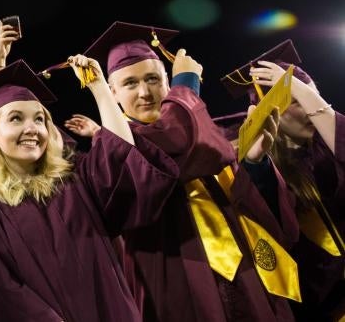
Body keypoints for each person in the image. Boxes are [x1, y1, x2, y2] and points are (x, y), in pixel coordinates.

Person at [73, 21, 300, 322]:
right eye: (130, 84)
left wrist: (255, 166)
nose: (145, 92)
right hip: (176, 283)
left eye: (153, 79)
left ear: (166, 82)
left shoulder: (206, 132)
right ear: (113, 93)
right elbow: (173, 145)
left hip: (248, 278)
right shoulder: (113, 155)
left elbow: (259, 213)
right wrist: (187, 85)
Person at [0, 57, 178, 321]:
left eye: (39, 119)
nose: (32, 129)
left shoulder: (74, 178)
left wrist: (99, 87)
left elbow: (121, 157)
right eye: (16, 119)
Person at [223, 40, 345, 319]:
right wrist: (254, 164)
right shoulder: (256, 168)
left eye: (310, 98)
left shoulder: (331, 153)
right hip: (313, 307)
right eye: (296, 101)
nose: (307, 110)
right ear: (271, 109)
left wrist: (299, 87)